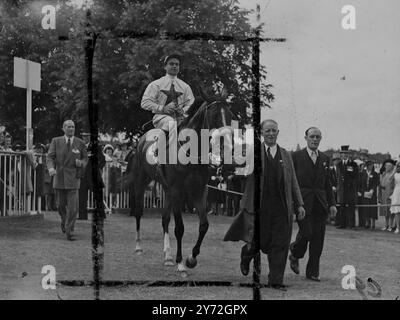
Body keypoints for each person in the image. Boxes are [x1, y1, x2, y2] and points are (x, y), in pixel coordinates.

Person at [224, 119, 305, 291]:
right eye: (267, 131)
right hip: (258, 207)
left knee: (280, 244)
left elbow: (293, 182)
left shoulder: (285, 155)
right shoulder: (253, 152)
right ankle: (246, 256)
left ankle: (275, 281)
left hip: (281, 208)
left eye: (273, 130)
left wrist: (299, 204)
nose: (270, 134)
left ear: (278, 132)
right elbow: (237, 166)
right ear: (262, 133)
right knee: (255, 242)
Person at [288, 127, 336, 282]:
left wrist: (332, 204)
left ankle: (313, 272)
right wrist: (294, 202)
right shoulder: (295, 156)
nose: (315, 139)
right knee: (307, 232)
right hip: (303, 203)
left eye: (318, 137)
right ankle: (295, 253)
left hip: (320, 204)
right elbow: (291, 181)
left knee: (318, 239)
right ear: (306, 138)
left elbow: (327, 183)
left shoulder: (324, 158)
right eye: (312, 136)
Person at [141, 52, 194, 163]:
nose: (174, 66)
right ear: (165, 66)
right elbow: (145, 102)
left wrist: (183, 110)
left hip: (181, 119)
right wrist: (162, 108)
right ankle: (159, 152)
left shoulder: (185, 86)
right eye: (171, 64)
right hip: (161, 117)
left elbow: (191, 104)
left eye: (177, 64)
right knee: (171, 123)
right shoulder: (156, 84)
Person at [46, 120, 88, 241]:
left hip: (73, 179)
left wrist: (81, 163)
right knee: (60, 206)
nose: (71, 129)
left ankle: (70, 230)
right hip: (59, 177)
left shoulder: (80, 142)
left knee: (73, 208)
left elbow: (85, 158)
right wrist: (51, 168)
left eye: (73, 127)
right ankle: (64, 222)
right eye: (69, 127)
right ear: (63, 128)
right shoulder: (56, 141)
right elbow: (50, 157)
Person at [78, 132, 106, 220]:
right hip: (82, 175)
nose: (85, 138)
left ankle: (101, 214)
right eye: (84, 136)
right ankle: (82, 215)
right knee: (82, 195)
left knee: (97, 194)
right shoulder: (79, 146)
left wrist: (98, 168)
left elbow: (102, 159)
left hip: (93, 175)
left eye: (87, 136)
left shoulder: (95, 146)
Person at [336, 145, 359, 229]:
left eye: (346, 153)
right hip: (342, 189)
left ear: (348, 155)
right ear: (341, 155)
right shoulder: (339, 164)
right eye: (343, 153)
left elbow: (355, 176)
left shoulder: (353, 164)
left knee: (351, 207)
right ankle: (342, 224)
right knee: (342, 206)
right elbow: (338, 176)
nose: (344, 155)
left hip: (350, 189)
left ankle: (351, 224)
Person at [358, 160, 379, 229]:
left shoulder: (375, 174)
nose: (371, 166)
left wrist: (372, 189)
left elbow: (376, 183)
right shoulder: (362, 173)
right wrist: (360, 191)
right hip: (364, 192)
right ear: (367, 166)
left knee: (372, 208)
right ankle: (367, 222)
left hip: (372, 193)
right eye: (369, 165)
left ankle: (373, 223)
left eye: (372, 165)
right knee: (366, 208)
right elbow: (360, 183)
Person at [378, 159, 396, 231]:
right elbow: (381, 184)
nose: (387, 167)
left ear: (392, 167)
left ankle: (391, 225)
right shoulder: (384, 174)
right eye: (386, 166)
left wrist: (392, 195)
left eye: (389, 166)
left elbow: (395, 185)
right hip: (383, 194)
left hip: (390, 194)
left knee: (390, 211)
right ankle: (386, 224)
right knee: (385, 211)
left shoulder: (393, 174)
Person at [389, 161, 400, 234]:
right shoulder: (395, 174)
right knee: (396, 211)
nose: (399, 168)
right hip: (396, 192)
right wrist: (394, 170)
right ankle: (398, 227)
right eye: (398, 166)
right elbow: (389, 179)